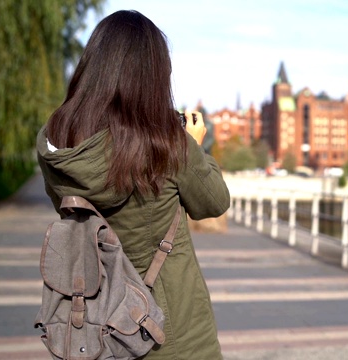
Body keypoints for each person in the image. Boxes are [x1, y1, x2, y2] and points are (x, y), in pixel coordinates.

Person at [36, 10, 230, 359]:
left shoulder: (59, 143)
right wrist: (195, 146)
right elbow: (213, 202)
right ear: (153, 76)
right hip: (170, 329)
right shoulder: (168, 143)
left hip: (96, 326)